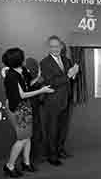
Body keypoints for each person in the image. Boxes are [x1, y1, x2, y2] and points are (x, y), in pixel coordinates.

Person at [2, 48, 54, 177]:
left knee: (27, 137)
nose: (24, 58)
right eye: (22, 57)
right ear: (17, 60)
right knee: (22, 138)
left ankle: (26, 163)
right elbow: (22, 95)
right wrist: (42, 91)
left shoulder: (23, 70)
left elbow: (28, 85)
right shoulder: (11, 76)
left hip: (25, 106)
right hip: (17, 107)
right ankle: (9, 166)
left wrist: (37, 78)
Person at [40, 35, 79, 166]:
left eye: (57, 46)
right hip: (52, 102)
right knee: (52, 129)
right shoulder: (44, 63)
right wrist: (68, 75)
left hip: (65, 100)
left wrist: (73, 75)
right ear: (48, 47)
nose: (55, 49)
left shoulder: (66, 60)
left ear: (61, 46)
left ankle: (60, 150)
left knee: (62, 128)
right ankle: (52, 156)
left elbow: (69, 80)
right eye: (52, 46)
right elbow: (51, 82)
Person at [25, 57, 45, 163]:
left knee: (35, 133)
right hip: (28, 108)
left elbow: (41, 98)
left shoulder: (39, 79)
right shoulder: (24, 78)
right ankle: (29, 158)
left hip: (34, 108)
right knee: (30, 134)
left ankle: (33, 157)